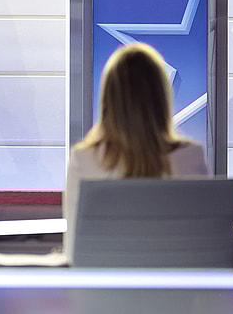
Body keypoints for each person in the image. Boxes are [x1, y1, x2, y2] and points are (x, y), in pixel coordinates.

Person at [63, 43, 209, 262]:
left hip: (102, 294)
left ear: (108, 98)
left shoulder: (84, 160)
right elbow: (200, 251)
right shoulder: (191, 157)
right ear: (162, 97)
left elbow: (75, 251)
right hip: (174, 293)